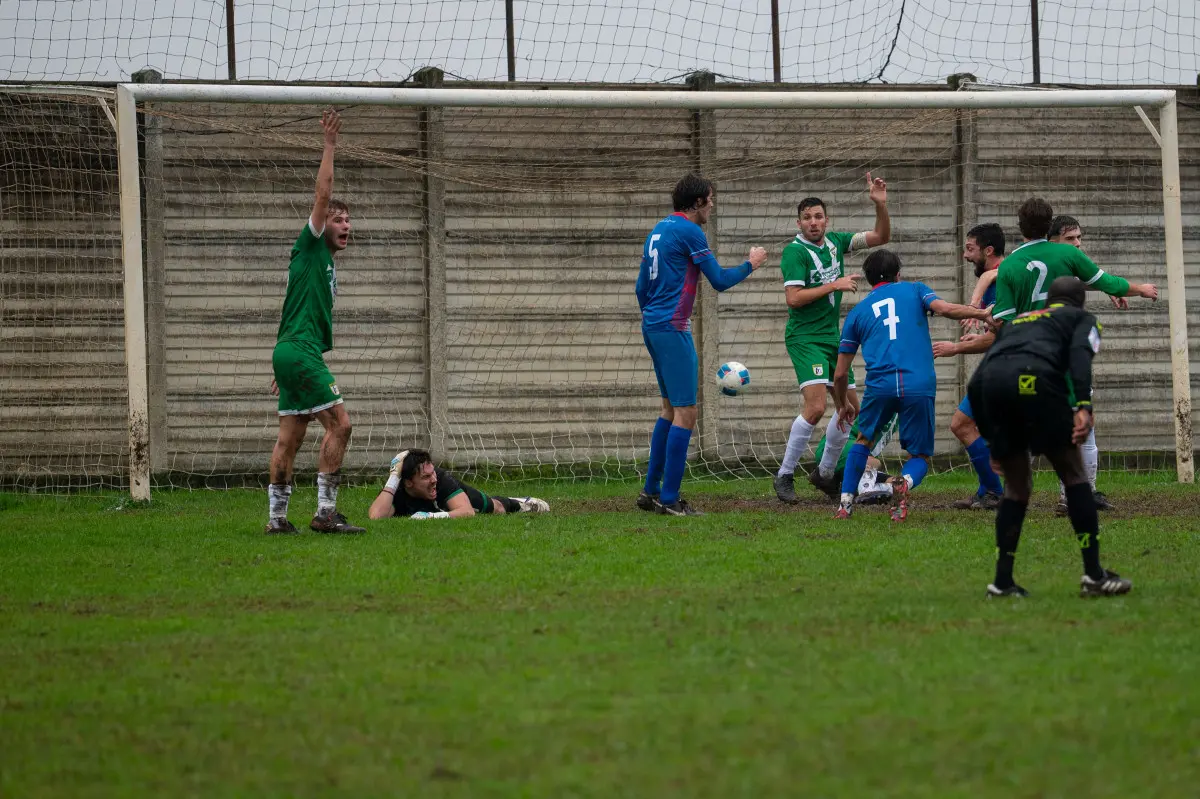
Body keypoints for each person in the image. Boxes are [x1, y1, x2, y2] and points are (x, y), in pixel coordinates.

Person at [969, 276, 1131, 598]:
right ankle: (1094, 576)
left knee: (1016, 486)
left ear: (1047, 301)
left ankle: (1002, 582)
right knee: (1073, 473)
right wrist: (1083, 405)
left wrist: (991, 438)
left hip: (991, 385)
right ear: (1080, 301)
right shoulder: (1082, 319)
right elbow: (1081, 356)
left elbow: (976, 384)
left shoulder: (1018, 321)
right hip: (1037, 380)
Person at [635, 173, 768, 516]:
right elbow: (720, 281)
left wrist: (654, 317)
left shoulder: (659, 229)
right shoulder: (689, 231)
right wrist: (750, 263)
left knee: (669, 409)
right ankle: (670, 500)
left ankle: (651, 492)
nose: (712, 203)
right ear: (696, 203)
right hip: (671, 328)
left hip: (652, 324)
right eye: (709, 198)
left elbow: (640, 288)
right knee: (687, 412)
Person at [832, 249, 992, 521]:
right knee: (919, 455)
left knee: (863, 441)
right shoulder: (916, 290)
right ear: (898, 275)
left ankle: (845, 505)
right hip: (918, 383)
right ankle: (903, 482)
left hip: (880, 384)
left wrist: (841, 404)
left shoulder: (857, 313)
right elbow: (945, 309)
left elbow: (839, 375)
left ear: (870, 280)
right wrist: (980, 313)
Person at [265, 110, 365, 535]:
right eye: (339, 220)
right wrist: (329, 146)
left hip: (290, 352)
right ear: (323, 225)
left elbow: (294, 309)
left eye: (348, 221)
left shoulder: (321, 263)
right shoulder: (309, 244)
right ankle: (325, 514)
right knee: (340, 424)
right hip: (299, 354)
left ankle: (276, 520)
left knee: (290, 437)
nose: (346, 225)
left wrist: (283, 367)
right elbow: (322, 195)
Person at [774, 173, 892, 505]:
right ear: (799, 222)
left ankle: (825, 474)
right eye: (808, 218)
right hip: (805, 337)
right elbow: (794, 299)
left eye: (819, 216)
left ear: (826, 220)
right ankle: (784, 475)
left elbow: (882, 235)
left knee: (851, 410)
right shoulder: (794, 253)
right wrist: (835, 284)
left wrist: (880, 204)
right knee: (815, 408)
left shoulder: (836, 242)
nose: (814, 222)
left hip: (832, 338)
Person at [932, 222, 1007, 510]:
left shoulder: (1004, 279)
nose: (965, 255)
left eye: (970, 249)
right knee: (973, 427)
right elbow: (999, 332)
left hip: (1005, 365)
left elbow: (1005, 333)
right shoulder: (997, 278)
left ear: (988, 251)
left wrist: (957, 348)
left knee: (961, 424)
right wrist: (980, 335)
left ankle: (995, 491)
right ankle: (988, 490)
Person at [1047, 214, 1113, 513]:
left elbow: (1088, 283)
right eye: (1071, 238)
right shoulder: (1082, 321)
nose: (1078, 244)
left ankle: (1078, 493)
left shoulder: (1040, 262)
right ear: (1054, 240)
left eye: (1079, 238)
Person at [368, 450, 549, 520]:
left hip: (452, 501)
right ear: (407, 482)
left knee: (496, 508)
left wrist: (430, 517)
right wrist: (393, 478)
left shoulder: (441, 480)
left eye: (433, 473)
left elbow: (467, 512)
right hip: (433, 504)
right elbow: (376, 516)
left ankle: (519, 503)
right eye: (425, 477)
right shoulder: (397, 488)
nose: (433, 480)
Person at [811, 413, 899, 505]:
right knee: (874, 463)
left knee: (892, 481)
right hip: (847, 449)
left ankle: (829, 478)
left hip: (825, 449)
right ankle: (865, 491)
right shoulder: (892, 414)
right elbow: (866, 446)